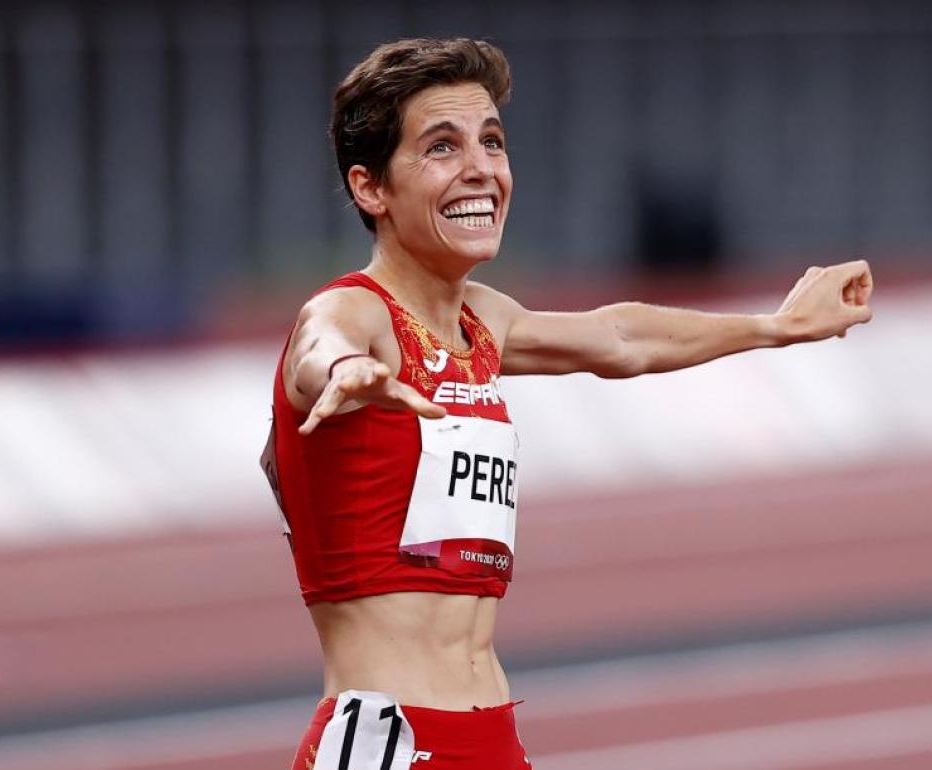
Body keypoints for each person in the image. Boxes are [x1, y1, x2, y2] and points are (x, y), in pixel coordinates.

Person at [263, 37, 873, 770]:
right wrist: (349, 369)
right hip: (388, 746)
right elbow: (315, 347)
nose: (481, 169)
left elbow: (619, 337)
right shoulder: (356, 313)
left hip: (489, 738)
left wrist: (776, 327)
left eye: (492, 141)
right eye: (442, 147)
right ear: (371, 189)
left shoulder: (481, 321)